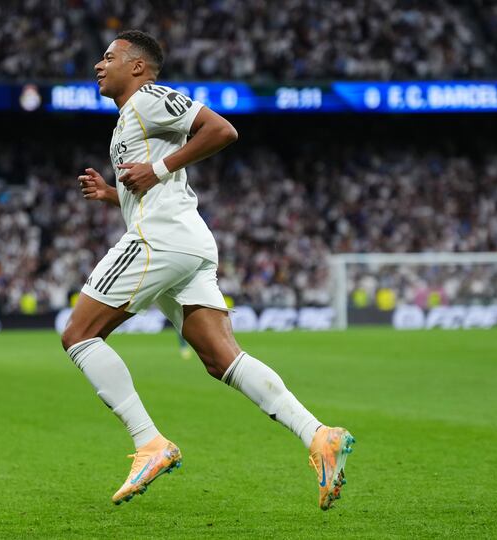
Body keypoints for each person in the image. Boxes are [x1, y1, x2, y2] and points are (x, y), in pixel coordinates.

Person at [62, 30, 354, 509]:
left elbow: (221, 130)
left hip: (160, 241)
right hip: (185, 244)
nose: (98, 64)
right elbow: (156, 184)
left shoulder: (151, 97)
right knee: (224, 359)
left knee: (78, 334)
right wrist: (113, 194)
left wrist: (155, 171)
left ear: (137, 66)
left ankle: (149, 443)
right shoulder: (128, 120)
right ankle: (318, 435)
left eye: (109, 57)